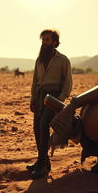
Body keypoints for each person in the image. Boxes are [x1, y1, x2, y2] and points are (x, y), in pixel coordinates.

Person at [28, 29, 72, 179]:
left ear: (54, 42)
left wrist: (60, 100)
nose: (44, 43)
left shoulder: (63, 60)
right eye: (43, 40)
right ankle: (44, 161)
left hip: (54, 97)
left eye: (47, 40)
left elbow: (67, 82)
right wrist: (33, 99)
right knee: (36, 128)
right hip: (40, 96)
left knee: (44, 124)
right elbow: (35, 82)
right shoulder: (39, 60)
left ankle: (40, 165)